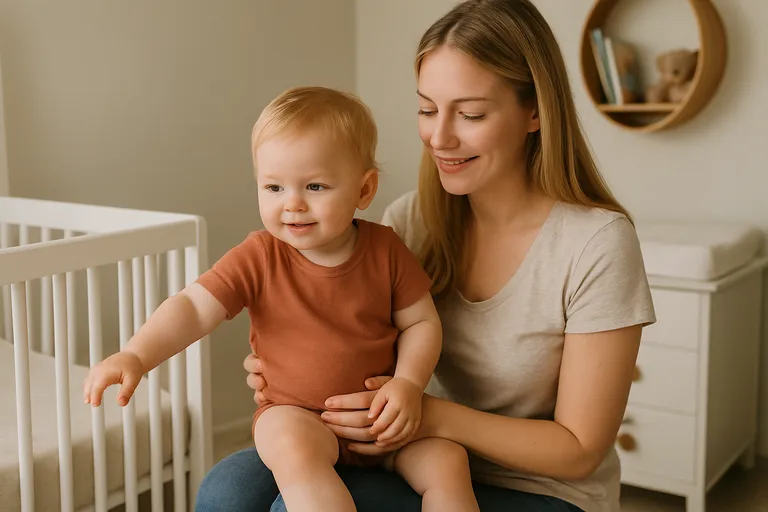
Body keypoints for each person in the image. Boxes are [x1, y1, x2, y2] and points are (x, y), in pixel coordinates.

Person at [195, 0, 656, 511]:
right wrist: (290, 364)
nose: (440, 137)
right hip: (404, 449)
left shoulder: (596, 244)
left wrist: (428, 412)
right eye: (427, 109)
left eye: (471, 113)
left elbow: (579, 452)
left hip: (540, 487)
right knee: (227, 490)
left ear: (534, 111)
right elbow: (338, 319)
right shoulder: (410, 220)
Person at [83, 86, 481, 511]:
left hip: (380, 421)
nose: (292, 204)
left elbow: (421, 323)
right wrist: (137, 355)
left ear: (364, 190)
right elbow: (194, 307)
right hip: (297, 415)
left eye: (314, 186)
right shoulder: (258, 256)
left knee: (447, 461)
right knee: (293, 451)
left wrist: (407, 385)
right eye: (273, 188)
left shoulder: (386, 249)